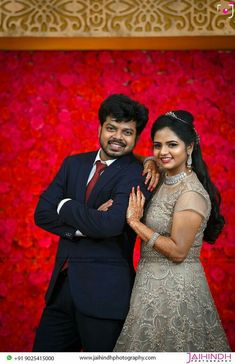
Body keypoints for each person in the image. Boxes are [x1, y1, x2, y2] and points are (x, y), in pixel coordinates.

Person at [33, 93, 159, 352]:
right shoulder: (73, 164)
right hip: (61, 291)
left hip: (104, 296)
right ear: (100, 127)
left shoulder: (137, 174)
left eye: (127, 132)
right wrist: (82, 225)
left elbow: (110, 225)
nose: (118, 137)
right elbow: (42, 213)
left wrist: (64, 205)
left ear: (136, 137)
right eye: (112, 128)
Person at [112, 110, 231, 352]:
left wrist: (135, 223)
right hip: (147, 285)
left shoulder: (191, 193)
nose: (163, 152)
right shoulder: (163, 177)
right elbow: (132, 157)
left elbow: (178, 251)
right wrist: (148, 161)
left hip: (177, 289)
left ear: (189, 147)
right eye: (157, 145)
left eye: (172, 145)